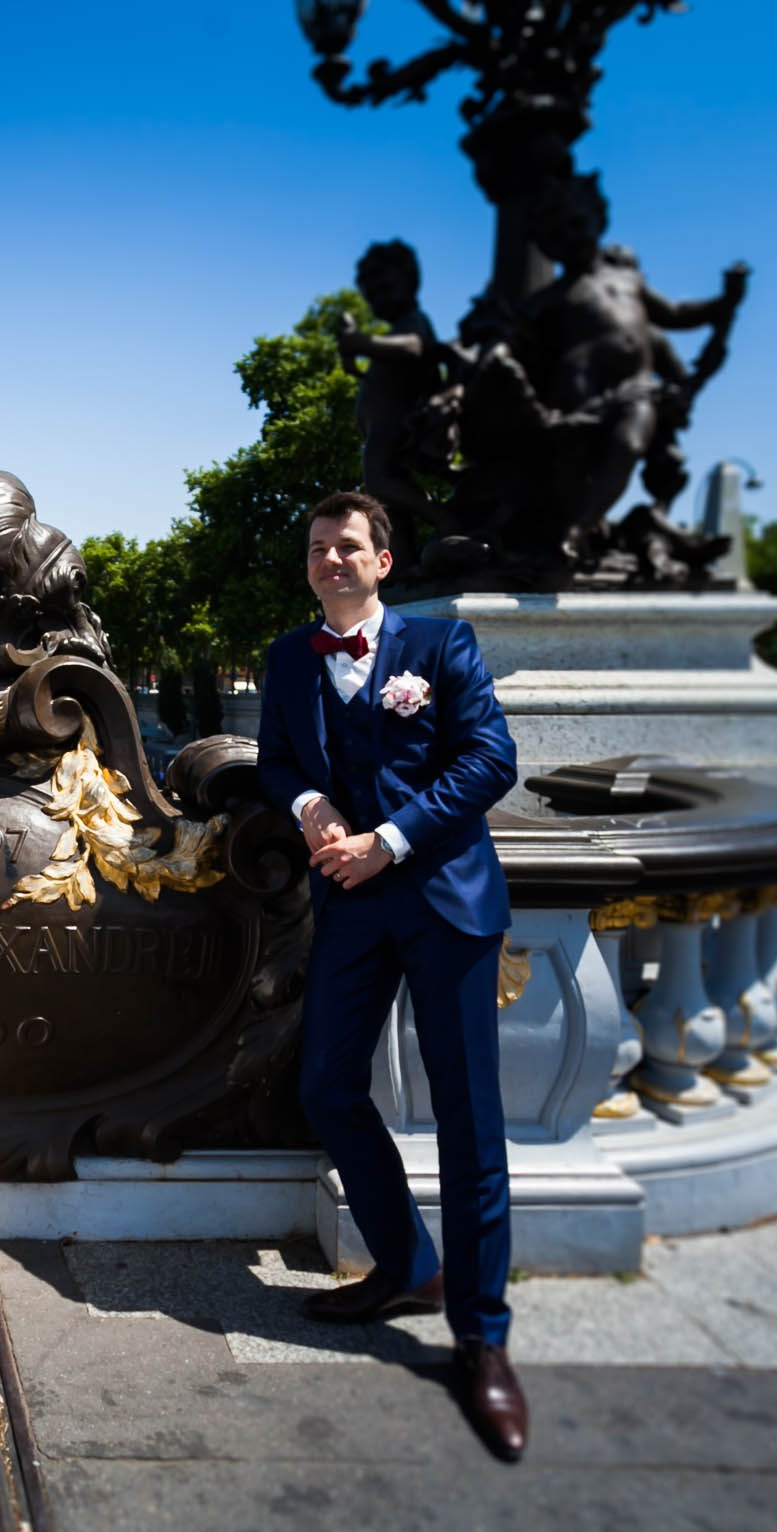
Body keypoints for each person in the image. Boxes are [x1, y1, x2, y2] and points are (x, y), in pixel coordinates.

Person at [253, 490, 528, 1460]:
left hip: (446, 900)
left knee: (467, 1118)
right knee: (328, 1082)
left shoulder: (442, 646)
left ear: (383, 560)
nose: (333, 559)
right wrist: (314, 804)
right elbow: (275, 760)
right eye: (320, 547)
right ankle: (406, 1260)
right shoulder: (289, 657)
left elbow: (494, 756)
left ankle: (483, 1340)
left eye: (349, 547)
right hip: (351, 907)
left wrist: (392, 837)